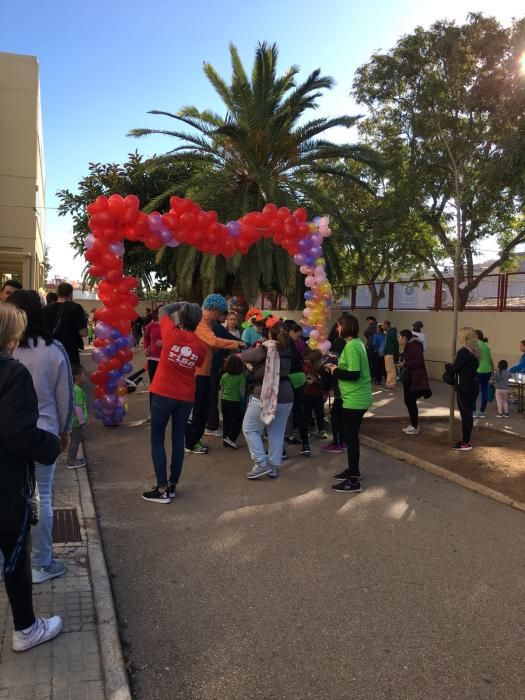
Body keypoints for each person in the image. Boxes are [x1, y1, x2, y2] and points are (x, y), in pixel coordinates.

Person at [0, 302, 63, 651]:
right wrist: (50, 445)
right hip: (7, 481)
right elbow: (17, 432)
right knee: (14, 551)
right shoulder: (12, 372)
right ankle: (26, 628)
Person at [9, 290, 73, 584]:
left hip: (7, 435)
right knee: (42, 497)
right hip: (43, 434)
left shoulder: (6, 351)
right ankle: (41, 563)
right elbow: (65, 397)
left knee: (7, 498)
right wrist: (65, 432)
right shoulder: (54, 350)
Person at [143, 302, 207, 503]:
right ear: (198, 321)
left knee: (157, 439)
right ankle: (171, 485)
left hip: (162, 393)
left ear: (180, 318)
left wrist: (181, 304)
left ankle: (161, 488)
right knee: (178, 440)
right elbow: (197, 363)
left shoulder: (170, 333)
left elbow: (163, 311)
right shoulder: (200, 346)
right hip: (185, 397)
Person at [185, 294, 245, 454]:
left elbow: (211, 345)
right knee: (198, 410)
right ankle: (191, 442)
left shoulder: (208, 323)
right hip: (198, 373)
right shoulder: (201, 324)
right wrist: (237, 343)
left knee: (204, 409)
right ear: (211, 309)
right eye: (218, 314)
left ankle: (194, 439)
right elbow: (213, 341)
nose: (220, 317)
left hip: (205, 371)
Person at [240, 319, 294, 479]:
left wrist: (249, 365)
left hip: (265, 393)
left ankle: (262, 463)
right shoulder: (289, 349)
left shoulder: (265, 348)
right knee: (276, 432)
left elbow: (243, 357)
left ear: (270, 334)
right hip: (287, 394)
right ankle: (273, 466)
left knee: (250, 428)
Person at [325, 315, 372, 494]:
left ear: (345, 327)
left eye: (339, 326)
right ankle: (354, 471)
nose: (337, 328)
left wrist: (334, 369)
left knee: (350, 438)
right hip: (355, 397)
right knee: (350, 437)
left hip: (355, 399)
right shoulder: (356, 344)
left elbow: (353, 374)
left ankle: (353, 481)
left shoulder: (352, 346)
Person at [205, 312, 242, 436]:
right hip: (212, 366)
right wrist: (241, 343)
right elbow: (226, 337)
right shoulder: (215, 325)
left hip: (213, 365)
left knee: (211, 395)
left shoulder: (212, 324)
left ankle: (211, 422)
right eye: (226, 317)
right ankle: (212, 425)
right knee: (212, 396)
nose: (228, 319)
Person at [445, 327, 480, 451]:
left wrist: (448, 367)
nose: (459, 338)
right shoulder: (475, 351)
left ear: (465, 337)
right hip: (473, 386)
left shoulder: (464, 352)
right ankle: (465, 440)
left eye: (460, 335)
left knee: (466, 415)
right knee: (468, 414)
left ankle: (465, 442)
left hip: (464, 387)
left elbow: (455, 368)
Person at [42, 282, 87, 366]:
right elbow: (83, 333)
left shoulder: (45, 309)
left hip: (50, 351)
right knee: (71, 377)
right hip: (70, 353)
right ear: (71, 293)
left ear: (57, 293)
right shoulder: (76, 308)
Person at [282, 321, 309, 454]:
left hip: (289, 378)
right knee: (299, 411)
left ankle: (281, 450)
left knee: (281, 412)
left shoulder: (283, 344)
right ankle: (306, 445)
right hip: (300, 377)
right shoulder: (294, 345)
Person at [397, 329, 432, 435]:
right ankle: (413, 424)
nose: (399, 339)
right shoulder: (410, 345)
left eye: (400, 337)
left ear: (404, 337)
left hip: (414, 379)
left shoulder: (414, 345)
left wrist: (406, 364)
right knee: (408, 401)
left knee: (410, 401)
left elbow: (419, 360)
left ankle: (415, 426)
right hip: (410, 378)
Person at [321, 324, 346, 454]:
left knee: (336, 416)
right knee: (341, 417)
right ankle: (342, 440)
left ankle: (337, 443)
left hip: (340, 392)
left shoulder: (334, 358)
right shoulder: (350, 352)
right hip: (347, 393)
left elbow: (330, 377)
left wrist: (325, 388)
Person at [220, 354, 246, 449]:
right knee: (238, 421)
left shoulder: (224, 376)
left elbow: (222, 390)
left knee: (226, 420)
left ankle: (225, 437)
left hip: (224, 400)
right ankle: (231, 438)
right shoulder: (240, 377)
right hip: (235, 401)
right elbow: (242, 392)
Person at [303, 349, 328, 439]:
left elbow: (325, 383)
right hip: (307, 394)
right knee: (307, 414)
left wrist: (325, 393)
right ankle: (307, 430)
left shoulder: (322, 368)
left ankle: (321, 430)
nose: (308, 360)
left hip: (318, 394)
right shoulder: (305, 367)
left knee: (320, 413)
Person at [67, 364, 88, 469]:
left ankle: (72, 459)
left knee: (74, 440)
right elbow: (78, 407)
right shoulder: (78, 390)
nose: (85, 377)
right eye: (84, 374)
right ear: (78, 376)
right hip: (76, 422)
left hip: (71, 420)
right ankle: (71, 461)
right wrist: (82, 421)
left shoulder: (71, 388)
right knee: (75, 441)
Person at [474, 330, 494, 418]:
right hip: (487, 371)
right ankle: (482, 412)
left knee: (474, 391)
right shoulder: (486, 345)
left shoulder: (475, 345)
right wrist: (493, 370)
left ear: (476, 336)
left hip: (478, 371)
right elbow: (490, 359)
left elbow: (476, 358)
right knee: (484, 391)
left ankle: (473, 411)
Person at [143, 309, 162, 384]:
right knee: (153, 382)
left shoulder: (171, 327)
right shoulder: (151, 325)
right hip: (152, 358)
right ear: (157, 314)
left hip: (165, 359)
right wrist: (145, 349)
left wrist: (165, 343)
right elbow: (146, 338)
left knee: (162, 383)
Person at [382, 320, 399, 390]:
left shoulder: (392, 332)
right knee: (389, 369)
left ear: (386, 325)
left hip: (390, 353)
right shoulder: (389, 332)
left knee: (391, 369)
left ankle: (391, 384)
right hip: (388, 353)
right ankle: (389, 383)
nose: (382, 327)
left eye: (383, 325)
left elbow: (395, 343)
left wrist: (393, 352)